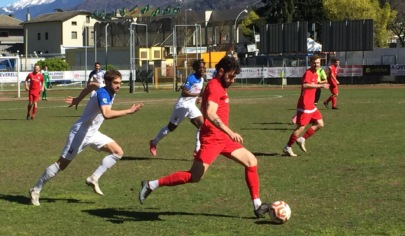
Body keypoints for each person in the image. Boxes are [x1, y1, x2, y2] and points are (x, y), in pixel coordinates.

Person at [139, 56, 271, 218]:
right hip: (212, 139)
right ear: (221, 71)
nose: (233, 80)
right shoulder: (215, 86)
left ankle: (257, 205)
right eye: (231, 76)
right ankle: (151, 184)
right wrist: (230, 132)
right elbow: (209, 113)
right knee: (194, 176)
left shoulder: (219, 86)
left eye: (235, 76)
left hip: (223, 139)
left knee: (251, 162)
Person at [28, 70, 144, 206]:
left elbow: (91, 85)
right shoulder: (103, 93)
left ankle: (93, 178)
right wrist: (128, 111)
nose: (119, 85)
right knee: (61, 165)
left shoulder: (105, 88)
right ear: (107, 82)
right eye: (116, 83)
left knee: (118, 152)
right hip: (80, 133)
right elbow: (106, 113)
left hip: (93, 133)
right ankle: (35, 189)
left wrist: (78, 99)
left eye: (120, 83)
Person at [149, 59, 206, 157]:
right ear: (196, 69)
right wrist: (197, 95)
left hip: (191, 106)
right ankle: (154, 142)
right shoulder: (191, 78)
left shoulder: (202, 79)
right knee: (171, 128)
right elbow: (184, 92)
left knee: (202, 126)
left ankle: (197, 150)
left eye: (203, 67)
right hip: (182, 106)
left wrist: (197, 98)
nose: (202, 69)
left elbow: (198, 92)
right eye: (200, 67)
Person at [283, 55, 330, 157]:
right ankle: (288, 147)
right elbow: (305, 85)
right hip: (305, 105)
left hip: (311, 105)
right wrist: (321, 85)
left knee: (320, 124)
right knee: (300, 128)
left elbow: (315, 82)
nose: (316, 64)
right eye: (314, 62)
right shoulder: (308, 73)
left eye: (317, 63)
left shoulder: (315, 74)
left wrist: (322, 83)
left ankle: (302, 139)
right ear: (310, 62)